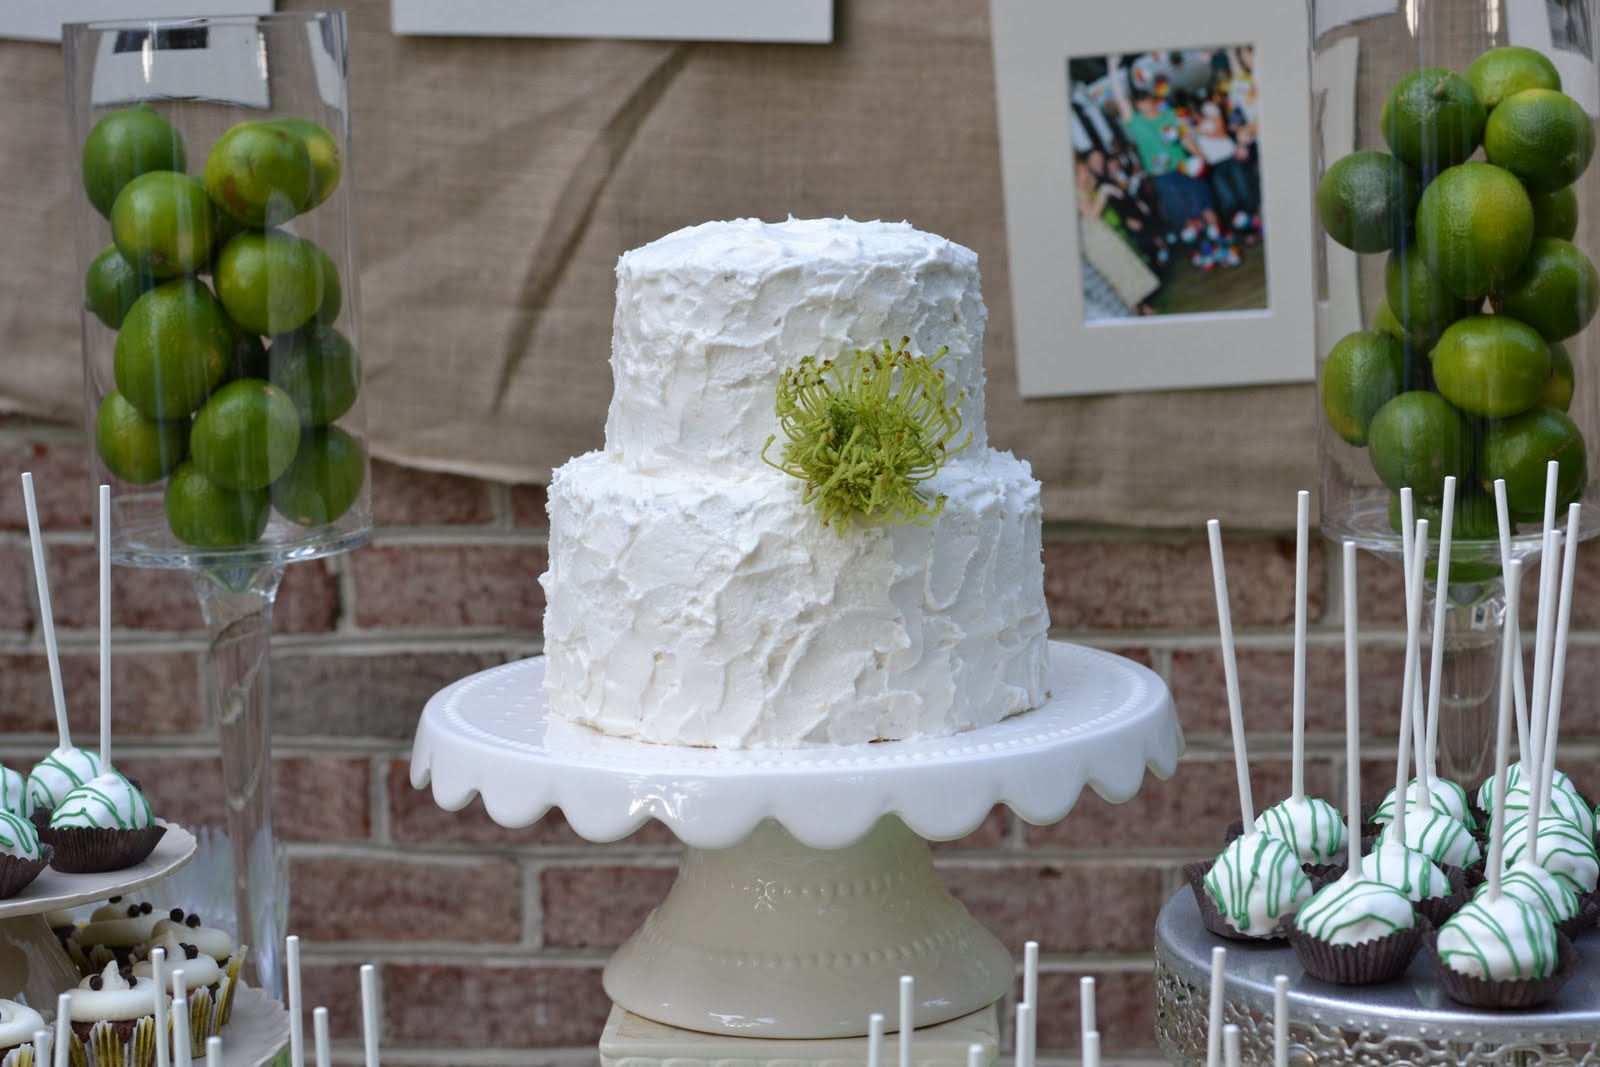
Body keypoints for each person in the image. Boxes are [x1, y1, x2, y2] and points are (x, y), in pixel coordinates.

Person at [1105, 54, 1232, 267]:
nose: (1148, 106)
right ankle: (1205, 250)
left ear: (1155, 100)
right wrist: (1112, 69)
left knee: (1205, 205)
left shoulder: (1171, 116)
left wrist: (1200, 157)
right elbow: (1120, 99)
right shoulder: (1136, 123)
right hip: (1162, 177)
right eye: (1142, 104)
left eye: (1150, 101)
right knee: (1187, 217)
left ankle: (1222, 246)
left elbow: (1185, 139)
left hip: (1185, 168)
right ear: (1138, 106)